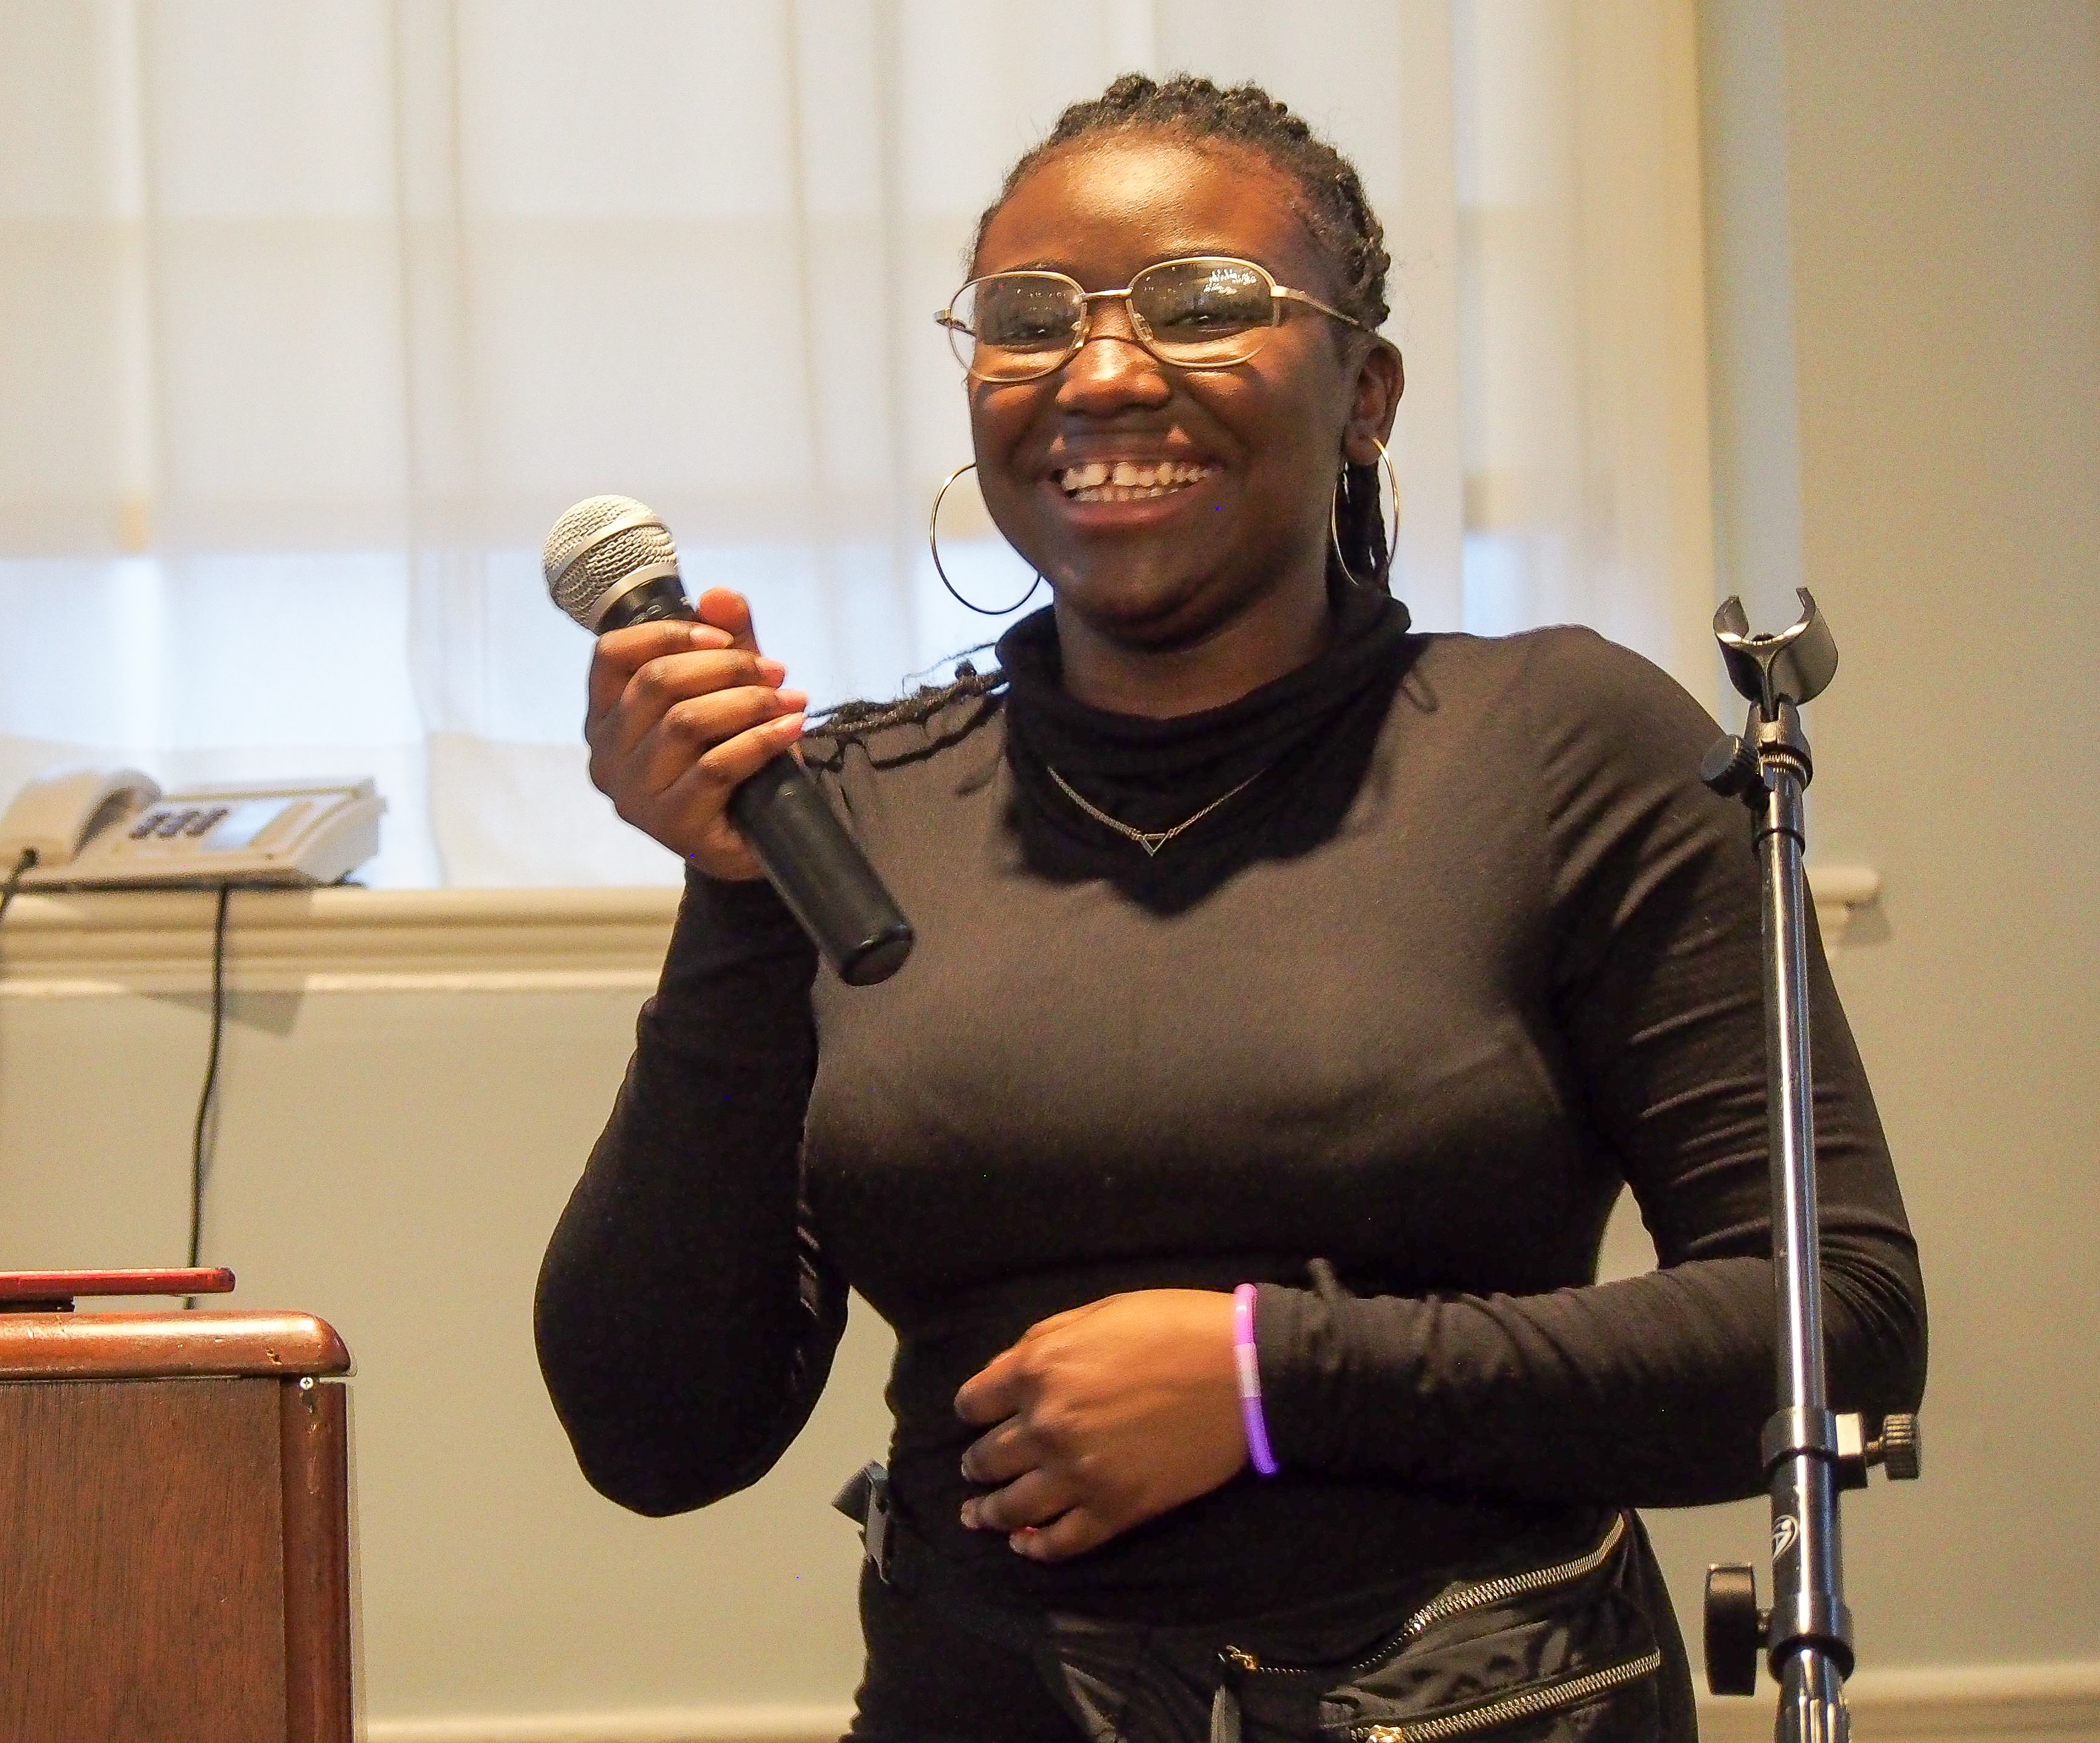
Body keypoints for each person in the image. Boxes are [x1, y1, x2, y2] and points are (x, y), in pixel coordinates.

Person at [535, 74, 1926, 1743]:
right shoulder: (849, 809)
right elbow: (656, 1432)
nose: (1104, 370)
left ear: (1367, 394)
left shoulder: (1565, 745)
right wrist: (737, 888)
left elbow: (1835, 1324)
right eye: (1029, 316)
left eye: (1204, 305)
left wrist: (1279, 1380)